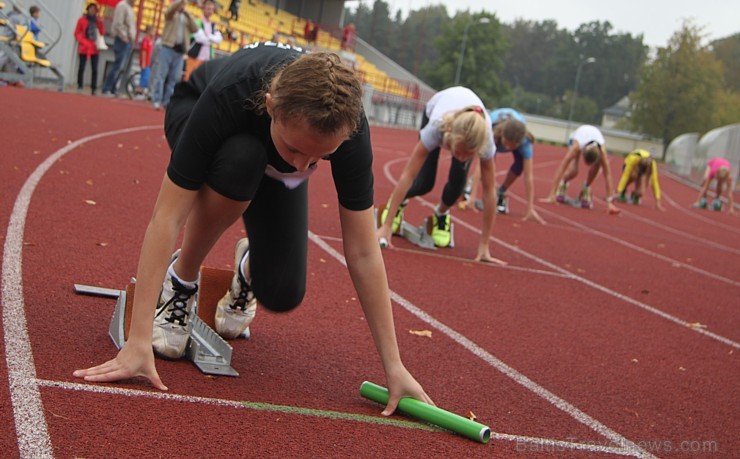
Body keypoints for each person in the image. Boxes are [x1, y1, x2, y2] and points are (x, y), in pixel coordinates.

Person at [72, 41, 432, 414]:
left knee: (282, 291)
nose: (304, 165)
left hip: (269, 146)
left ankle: (248, 266)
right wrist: (139, 338)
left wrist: (394, 366)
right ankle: (181, 280)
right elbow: (167, 216)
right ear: (272, 106)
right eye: (297, 151)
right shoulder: (232, 91)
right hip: (198, 110)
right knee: (243, 158)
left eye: (320, 158)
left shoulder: (348, 126)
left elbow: (362, 249)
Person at [376, 86, 501, 262]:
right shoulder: (437, 127)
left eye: (469, 154)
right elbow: (408, 175)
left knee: (457, 189)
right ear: (451, 138)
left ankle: (441, 214)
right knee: (424, 183)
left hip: (468, 130)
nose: (462, 157)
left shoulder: (485, 141)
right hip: (436, 110)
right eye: (458, 151)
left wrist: (484, 246)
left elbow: (489, 193)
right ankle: (394, 206)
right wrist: (387, 225)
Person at [464, 108, 545, 224]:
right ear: (502, 136)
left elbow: (528, 176)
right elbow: (479, 166)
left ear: (519, 143)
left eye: (512, 146)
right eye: (506, 143)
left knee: (520, 165)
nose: (507, 148)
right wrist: (472, 197)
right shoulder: (491, 133)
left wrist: (530, 208)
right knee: (488, 166)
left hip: (516, 126)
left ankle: (501, 190)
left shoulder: (525, 142)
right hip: (495, 131)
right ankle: (470, 183)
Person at [541, 124, 620, 213]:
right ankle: (564, 183)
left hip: (594, 139)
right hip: (578, 136)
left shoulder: (602, 152)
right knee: (574, 171)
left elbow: (608, 175)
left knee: (597, 168)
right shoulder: (576, 147)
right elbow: (561, 168)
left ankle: (586, 186)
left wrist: (609, 202)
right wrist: (552, 194)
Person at [150, 0, 198, 110]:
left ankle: (167, 102)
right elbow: (170, 10)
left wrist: (188, 15)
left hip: (180, 52)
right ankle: (156, 99)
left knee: (174, 79)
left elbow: (195, 28)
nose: (183, 6)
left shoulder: (186, 18)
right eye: (181, 4)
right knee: (161, 75)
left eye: (184, 4)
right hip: (167, 47)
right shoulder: (172, 15)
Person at [101, 0, 138, 97]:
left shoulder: (130, 8)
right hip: (122, 40)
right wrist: (124, 36)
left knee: (121, 67)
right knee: (118, 65)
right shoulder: (122, 6)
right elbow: (118, 23)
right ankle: (107, 88)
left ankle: (112, 88)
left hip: (128, 40)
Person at [184, 0, 222, 81]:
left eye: (212, 9)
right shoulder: (197, 21)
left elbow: (219, 40)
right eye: (208, 9)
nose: (210, 11)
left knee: (202, 80)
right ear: (203, 8)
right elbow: (200, 38)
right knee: (189, 78)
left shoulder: (213, 25)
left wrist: (208, 36)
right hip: (195, 56)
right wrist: (212, 38)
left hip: (207, 58)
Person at [74, 3, 105, 95]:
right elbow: (77, 32)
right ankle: (80, 85)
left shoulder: (97, 21)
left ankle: (94, 88)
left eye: (94, 9)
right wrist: (82, 41)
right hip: (84, 46)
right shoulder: (82, 20)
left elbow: (102, 33)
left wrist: (101, 23)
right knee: (81, 67)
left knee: (95, 68)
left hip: (94, 47)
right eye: (91, 9)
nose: (92, 11)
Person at [136, 25, 155, 98]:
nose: (154, 33)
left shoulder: (150, 40)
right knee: (144, 77)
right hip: (145, 62)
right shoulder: (146, 40)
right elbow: (143, 51)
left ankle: (142, 92)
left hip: (149, 63)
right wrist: (143, 62)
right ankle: (139, 92)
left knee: (146, 77)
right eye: (153, 31)